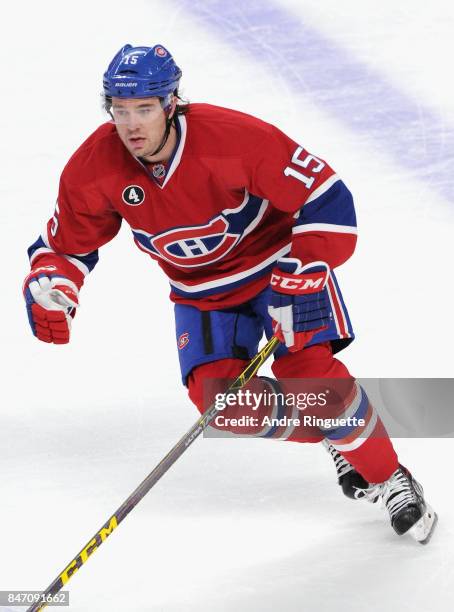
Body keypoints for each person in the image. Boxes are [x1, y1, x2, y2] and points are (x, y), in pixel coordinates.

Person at [23, 43, 437, 543]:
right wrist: (53, 285)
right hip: (200, 294)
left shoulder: (233, 138)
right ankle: (338, 432)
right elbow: (64, 246)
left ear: (171, 103)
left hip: (277, 275)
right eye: (120, 110)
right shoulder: (94, 167)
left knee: (315, 382)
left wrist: (305, 267)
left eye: (145, 109)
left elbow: (326, 195)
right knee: (222, 404)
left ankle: (388, 475)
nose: (131, 124)